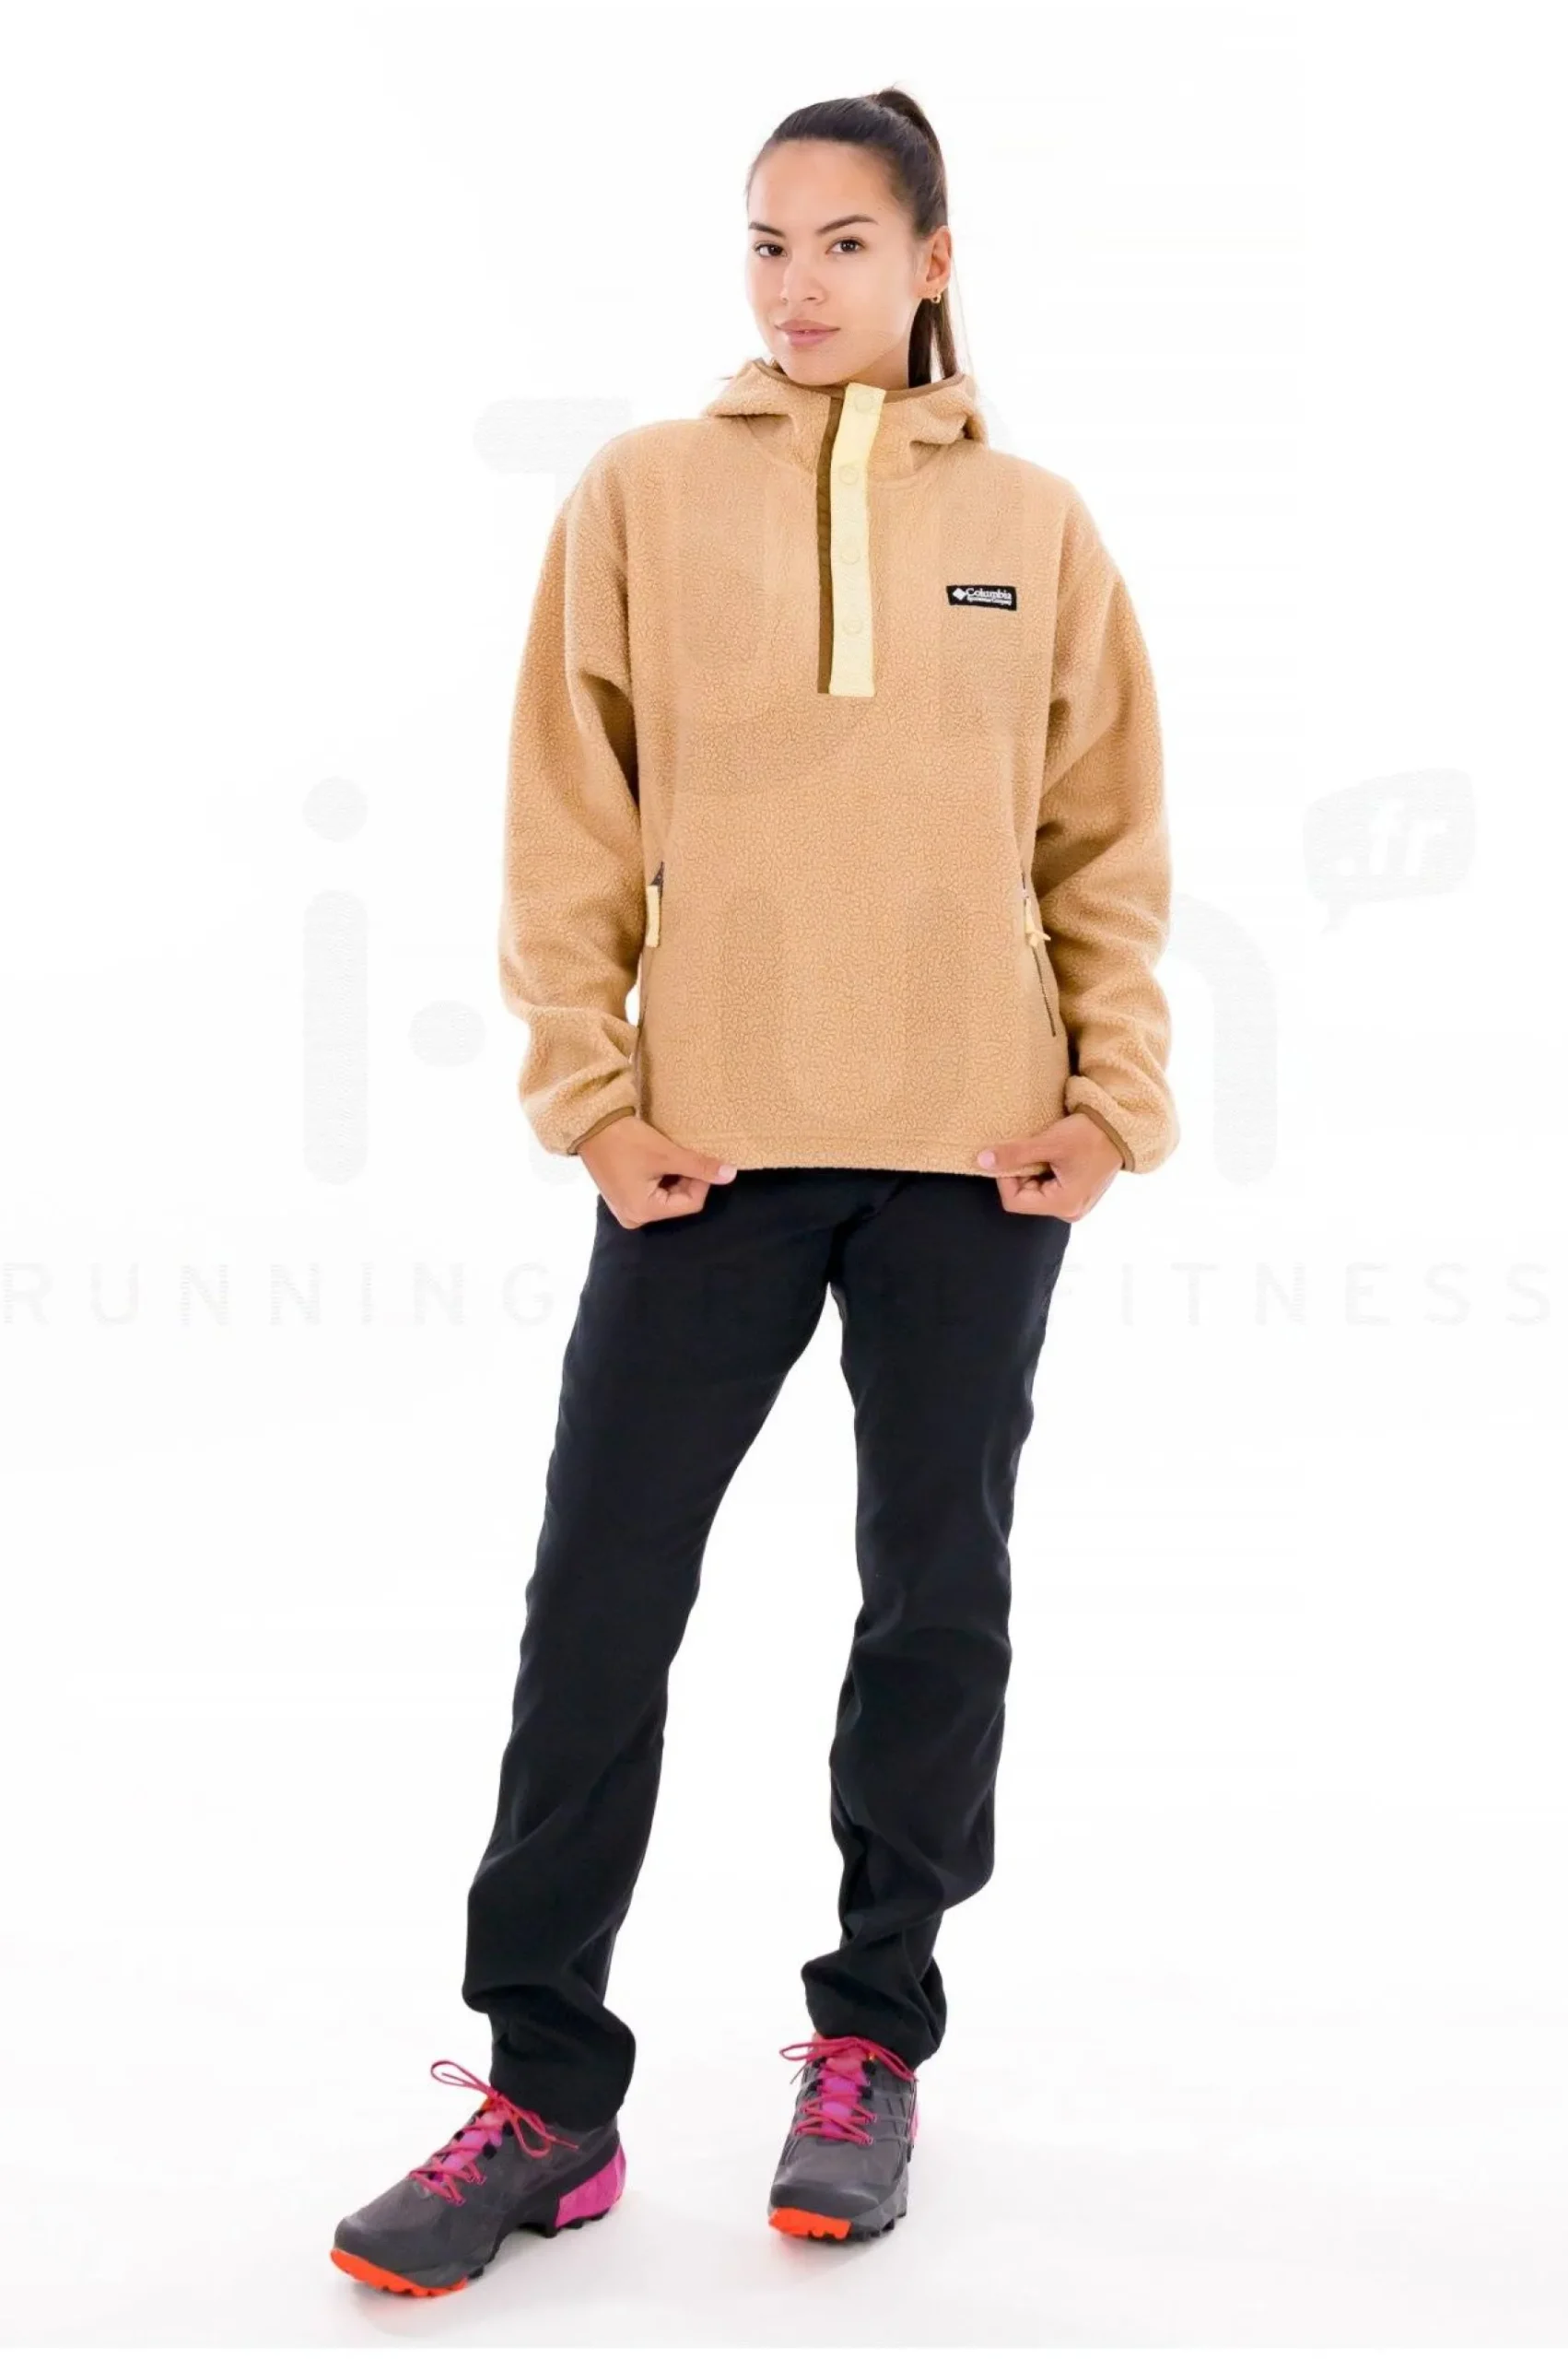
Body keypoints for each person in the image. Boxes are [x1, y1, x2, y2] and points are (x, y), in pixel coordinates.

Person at [331, 83, 1177, 2299]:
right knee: (597, 1601)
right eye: (764, 242)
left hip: (973, 1159)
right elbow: (567, 812)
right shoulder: (640, 493)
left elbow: (1100, 838)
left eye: (841, 243)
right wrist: (588, 1093)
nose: (795, 284)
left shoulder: (1033, 522)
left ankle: (868, 2040)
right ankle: (545, 2091)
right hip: (698, 1152)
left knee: (932, 1597)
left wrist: (1111, 1097)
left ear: (931, 261)